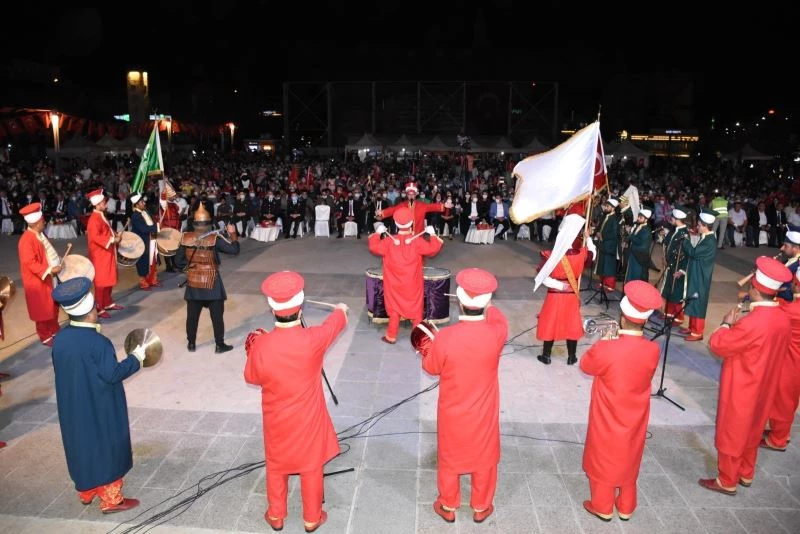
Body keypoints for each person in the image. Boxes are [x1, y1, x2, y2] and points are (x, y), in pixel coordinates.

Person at [244, 271, 348, 533]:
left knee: (276, 464)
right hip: (307, 417)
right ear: (299, 305)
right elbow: (334, 325)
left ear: (272, 307)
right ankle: (312, 517)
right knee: (311, 465)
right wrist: (341, 310)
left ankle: (276, 514)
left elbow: (252, 376)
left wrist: (253, 349)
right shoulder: (312, 339)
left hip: (276, 416)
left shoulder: (262, 345)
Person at [417, 268, 507, 524]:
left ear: (458, 302)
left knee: (450, 455)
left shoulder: (445, 338)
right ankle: (481, 506)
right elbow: (498, 317)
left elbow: (431, 367)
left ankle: (448, 503)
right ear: (487, 302)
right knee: (485, 455)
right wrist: (486, 303)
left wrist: (424, 344)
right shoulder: (497, 332)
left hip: (453, 410)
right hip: (484, 409)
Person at [50, 276, 147, 513]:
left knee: (80, 444)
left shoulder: (59, 340)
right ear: (91, 310)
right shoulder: (98, 343)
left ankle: (86, 491)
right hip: (99, 403)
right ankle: (112, 499)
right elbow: (112, 374)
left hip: (72, 405)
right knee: (107, 443)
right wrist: (137, 359)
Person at [699, 256, 792, 495]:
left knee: (733, 430)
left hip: (743, 385)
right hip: (766, 385)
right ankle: (745, 472)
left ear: (756, 290)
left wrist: (726, 324)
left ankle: (726, 479)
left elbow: (719, 345)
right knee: (753, 429)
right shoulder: (782, 317)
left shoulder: (752, 323)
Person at [581, 280, 662, 522]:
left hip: (608, 412)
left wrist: (606, 341)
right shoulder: (652, 350)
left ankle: (602, 505)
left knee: (604, 453)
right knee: (630, 452)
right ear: (645, 320)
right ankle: (626, 505)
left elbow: (587, 365)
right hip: (635, 413)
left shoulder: (608, 349)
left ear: (623, 315)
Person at [368, 206, 443, 344]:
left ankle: (391, 335)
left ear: (395, 223)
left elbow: (374, 247)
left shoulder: (389, 241)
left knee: (394, 307)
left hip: (394, 283)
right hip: (412, 282)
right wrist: (432, 234)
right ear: (412, 222)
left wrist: (377, 233)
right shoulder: (417, 241)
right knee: (416, 309)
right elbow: (433, 249)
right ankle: (419, 339)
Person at [174, 203, 240, 353]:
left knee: (192, 317)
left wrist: (191, 268)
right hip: (213, 284)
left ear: (194, 223)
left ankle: (191, 343)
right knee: (217, 317)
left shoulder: (185, 237)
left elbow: (178, 262)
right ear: (209, 223)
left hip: (193, 284)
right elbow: (234, 249)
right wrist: (232, 234)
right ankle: (219, 345)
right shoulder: (214, 239)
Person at [536, 221, 593, 366]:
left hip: (554, 296)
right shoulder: (580, 254)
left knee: (550, 323)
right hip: (571, 295)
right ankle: (571, 357)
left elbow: (543, 278)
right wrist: (589, 238)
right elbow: (593, 254)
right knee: (571, 324)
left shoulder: (551, 256)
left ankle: (546, 356)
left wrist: (559, 285)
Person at [762, 266, 800, 452]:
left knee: (783, 400)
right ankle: (782, 432)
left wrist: (767, 294)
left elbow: (777, 312)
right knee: (789, 399)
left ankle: (778, 439)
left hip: (791, 361)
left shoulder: (792, 311)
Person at [17, 202, 62, 346]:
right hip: (37, 281)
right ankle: (45, 336)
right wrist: (48, 270)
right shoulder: (26, 240)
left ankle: (54, 329)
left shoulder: (39, 234)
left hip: (49, 277)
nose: (45, 222)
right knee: (42, 309)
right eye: (43, 221)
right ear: (36, 223)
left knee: (53, 305)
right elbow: (30, 263)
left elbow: (48, 253)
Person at [678, 208, 718, 341]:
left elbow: (694, 253)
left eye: (700, 225)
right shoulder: (705, 237)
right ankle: (691, 327)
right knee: (693, 299)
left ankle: (698, 332)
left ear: (706, 226)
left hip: (702, 275)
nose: (697, 227)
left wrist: (685, 241)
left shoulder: (710, 241)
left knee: (699, 301)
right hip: (697, 273)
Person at [85, 188, 123, 320]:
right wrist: (113, 239)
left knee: (108, 279)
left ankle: (107, 303)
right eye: (103, 203)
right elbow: (96, 237)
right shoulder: (93, 219)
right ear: (97, 204)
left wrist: (114, 234)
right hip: (100, 255)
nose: (106, 205)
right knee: (101, 283)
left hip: (107, 253)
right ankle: (99, 307)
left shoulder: (100, 216)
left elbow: (106, 230)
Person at [658, 206, 690, 327]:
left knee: (676, 292)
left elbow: (686, 254)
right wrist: (663, 236)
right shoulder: (674, 230)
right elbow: (666, 243)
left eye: (672, 217)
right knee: (668, 290)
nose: (670, 219)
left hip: (678, 267)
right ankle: (669, 313)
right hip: (670, 265)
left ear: (677, 219)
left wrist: (682, 270)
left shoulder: (684, 234)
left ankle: (678, 317)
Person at [377, 182, 444, 236]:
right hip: (405, 235)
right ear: (407, 195)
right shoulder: (402, 205)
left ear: (415, 195)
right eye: (409, 194)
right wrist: (382, 212)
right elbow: (393, 210)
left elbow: (432, 207)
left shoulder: (421, 205)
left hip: (418, 235)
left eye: (413, 194)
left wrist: (444, 206)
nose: (411, 196)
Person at [130, 193, 160, 291]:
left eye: (143, 201)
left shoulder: (145, 211)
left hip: (151, 240)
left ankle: (152, 279)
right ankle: (143, 282)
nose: (144, 203)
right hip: (143, 242)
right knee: (143, 262)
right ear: (137, 204)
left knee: (152, 260)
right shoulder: (135, 216)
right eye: (142, 202)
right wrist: (157, 227)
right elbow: (143, 229)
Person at [593, 197, 620, 292]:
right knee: (602, 264)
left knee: (608, 266)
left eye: (608, 206)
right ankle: (602, 283)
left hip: (609, 246)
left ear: (613, 208)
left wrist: (602, 235)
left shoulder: (615, 219)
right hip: (602, 244)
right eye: (606, 206)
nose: (605, 208)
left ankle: (609, 285)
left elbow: (614, 233)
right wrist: (596, 232)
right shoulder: (605, 216)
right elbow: (600, 227)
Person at [624, 208, 653, 283]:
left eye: (640, 218)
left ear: (646, 219)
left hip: (639, 257)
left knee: (635, 275)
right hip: (633, 254)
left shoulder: (646, 230)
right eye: (638, 217)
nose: (638, 219)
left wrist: (630, 233)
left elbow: (639, 241)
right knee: (630, 274)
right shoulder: (639, 226)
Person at [159, 188, 182, 272]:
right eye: (173, 195)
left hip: (175, 229)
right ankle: (169, 266)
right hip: (167, 229)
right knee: (167, 248)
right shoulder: (164, 205)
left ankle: (174, 264)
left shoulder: (174, 205)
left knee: (174, 248)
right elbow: (162, 200)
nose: (174, 196)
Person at [776, 226, 800, 302]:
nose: (781, 248)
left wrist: (772, 290)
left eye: (785, 246)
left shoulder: (797, 266)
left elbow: (791, 293)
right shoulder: (789, 260)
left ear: (795, 248)